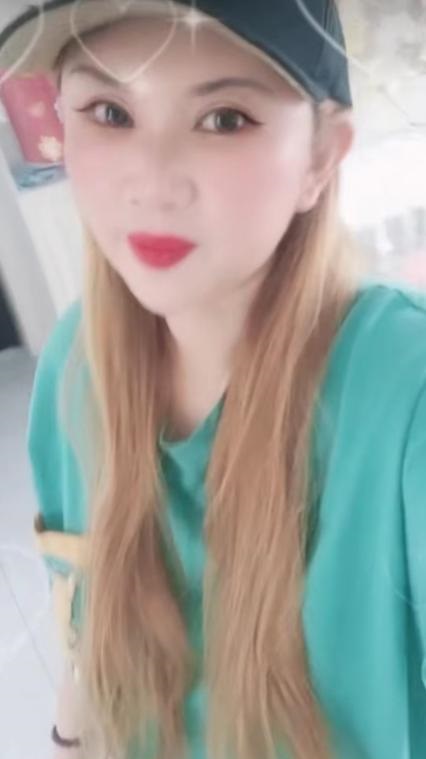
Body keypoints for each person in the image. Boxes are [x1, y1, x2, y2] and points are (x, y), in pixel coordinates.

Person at [1, 2, 425, 758]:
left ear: (321, 157)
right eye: (109, 112)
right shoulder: (75, 363)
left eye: (225, 119)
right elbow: (91, 629)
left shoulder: (406, 390)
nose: (152, 184)